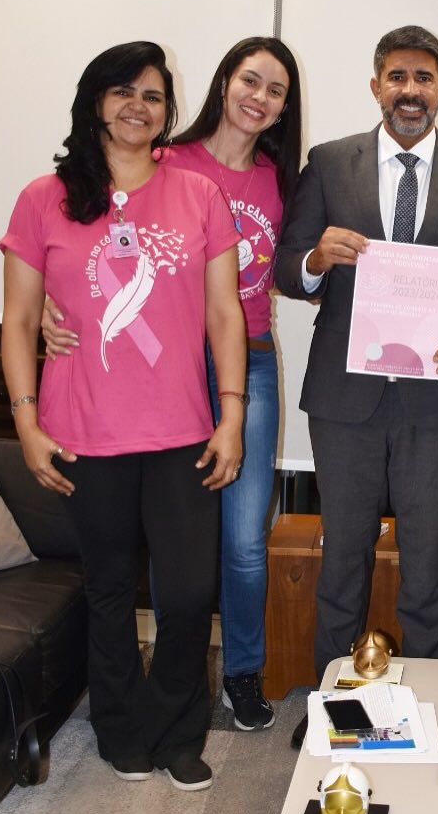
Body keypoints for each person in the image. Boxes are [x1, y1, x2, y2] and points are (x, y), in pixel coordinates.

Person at [0, 42, 246, 790]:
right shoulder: (45, 196)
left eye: (153, 94)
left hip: (182, 431)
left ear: (168, 111)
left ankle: (176, 728)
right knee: (108, 589)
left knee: (188, 590)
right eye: (123, 91)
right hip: (86, 430)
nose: (139, 105)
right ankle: (118, 726)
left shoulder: (199, 194)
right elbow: (16, 322)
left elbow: (225, 315)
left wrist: (230, 415)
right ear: (95, 102)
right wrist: (27, 424)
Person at [42, 37, 302, 732]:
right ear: (223, 83)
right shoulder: (167, 158)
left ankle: (239, 675)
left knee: (244, 538)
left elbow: (298, 270)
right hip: (169, 364)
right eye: (250, 79)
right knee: (168, 539)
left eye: (276, 90)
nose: (260, 97)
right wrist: (47, 302)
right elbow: (88, 223)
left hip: (247, 356)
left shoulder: (285, 180)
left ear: (284, 109)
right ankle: (152, 689)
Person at [274, 25, 438, 748]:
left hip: (435, 398)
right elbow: (287, 266)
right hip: (345, 399)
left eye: (424, 77)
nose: (411, 90)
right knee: (342, 556)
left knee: (430, 560)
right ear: (377, 85)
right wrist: (316, 255)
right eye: (397, 77)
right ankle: (332, 714)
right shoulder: (329, 162)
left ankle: (424, 712)